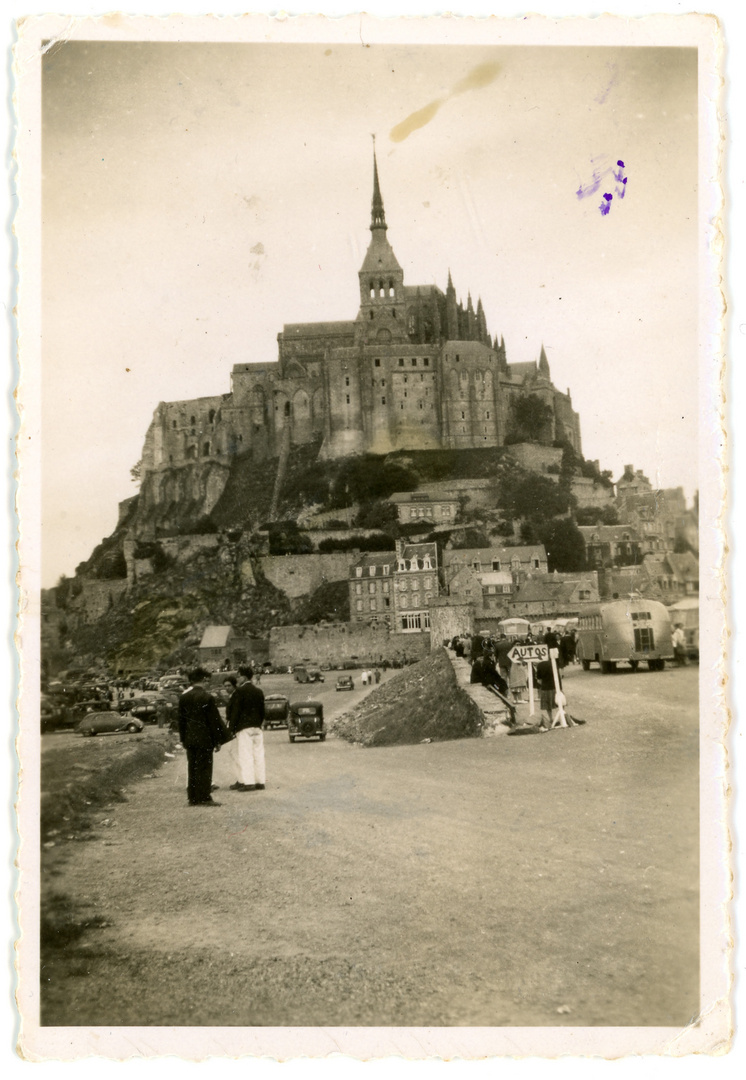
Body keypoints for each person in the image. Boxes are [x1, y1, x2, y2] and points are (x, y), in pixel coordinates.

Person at [178, 667, 225, 807]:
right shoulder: (207, 697)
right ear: (204, 679)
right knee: (204, 767)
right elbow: (213, 720)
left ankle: (192, 797)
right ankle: (204, 797)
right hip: (205, 738)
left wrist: (183, 739)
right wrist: (217, 740)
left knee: (192, 767)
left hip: (189, 738)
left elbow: (181, 721)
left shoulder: (184, 697)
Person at [228, 665, 266, 792]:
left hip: (244, 728)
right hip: (257, 727)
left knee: (246, 755)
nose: (237, 679)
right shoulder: (258, 691)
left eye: (238, 676)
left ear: (243, 677)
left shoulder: (239, 692)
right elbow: (262, 712)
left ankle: (249, 782)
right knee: (259, 754)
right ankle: (260, 781)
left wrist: (232, 728)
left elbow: (235, 712)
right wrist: (258, 723)